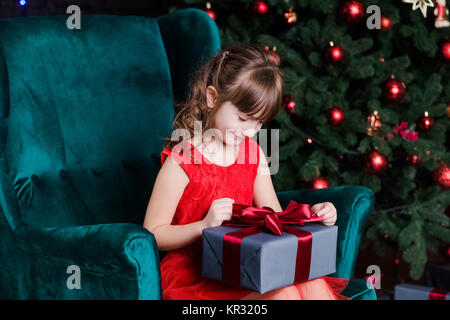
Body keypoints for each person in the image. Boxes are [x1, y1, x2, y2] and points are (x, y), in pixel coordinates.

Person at [143, 43, 350, 300]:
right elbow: (152, 233)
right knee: (283, 295)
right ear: (212, 98)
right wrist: (203, 226)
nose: (249, 131)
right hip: (193, 274)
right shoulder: (182, 160)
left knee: (312, 285)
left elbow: (275, 217)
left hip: (242, 265)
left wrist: (312, 216)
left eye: (259, 122)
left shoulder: (253, 154)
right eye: (242, 118)